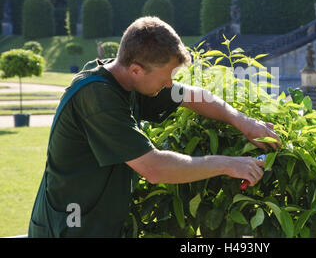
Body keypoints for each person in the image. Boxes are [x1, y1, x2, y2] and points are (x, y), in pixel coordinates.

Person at [28, 16, 281, 238]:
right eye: (166, 77)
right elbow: (154, 168)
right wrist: (229, 164)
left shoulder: (128, 79)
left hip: (97, 225)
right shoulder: (97, 98)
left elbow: (191, 95)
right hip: (67, 230)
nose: (170, 84)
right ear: (136, 70)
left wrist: (244, 122)